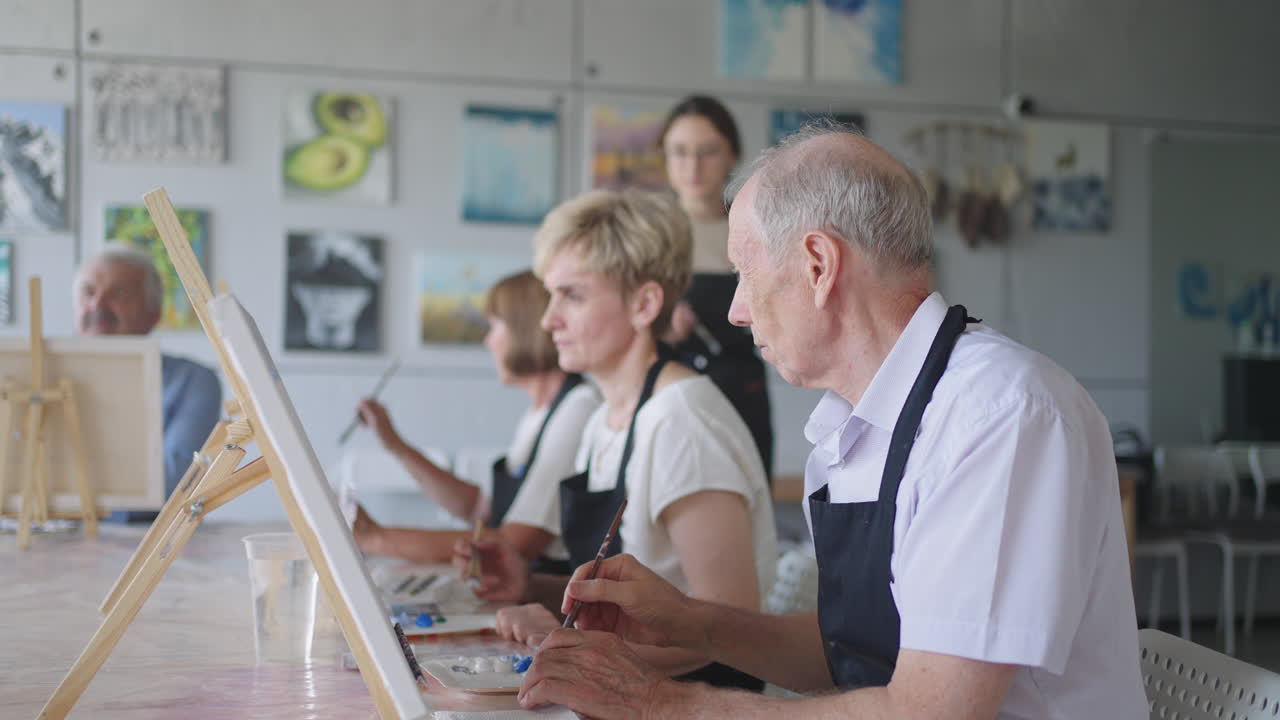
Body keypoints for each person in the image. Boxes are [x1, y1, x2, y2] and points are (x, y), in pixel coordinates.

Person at [511, 126, 1148, 718]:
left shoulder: (999, 414)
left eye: (745, 271)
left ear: (819, 265)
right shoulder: (853, 425)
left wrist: (663, 704)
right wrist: (690, 622)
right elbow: (858, 644)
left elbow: (932, 711)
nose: (734, 310)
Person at [457, 189, 777, 691]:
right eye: (550, 295)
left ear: (644, 304)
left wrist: (576, 646)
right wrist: (532, 585)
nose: (548, 320)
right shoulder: (605, 417)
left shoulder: (681, 420)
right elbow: (630, 605)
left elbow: (731, 632)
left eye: (573, 296)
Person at [352, 270, 599, 569]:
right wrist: (394, 444)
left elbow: (515, 543)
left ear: (525, 331)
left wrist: (374, 538)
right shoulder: (539, 414)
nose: (489, 342)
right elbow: (479, 510)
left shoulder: (578, 409)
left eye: (495, 327)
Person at [659, 95, 773, 480]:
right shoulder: (647, 234)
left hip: (743, 394)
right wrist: (659, 327)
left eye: (707, 152)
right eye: (679, 152)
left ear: (732, 154)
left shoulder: (760, 229)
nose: (693, 166)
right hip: (670, 395)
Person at [74, 245, 223, 520]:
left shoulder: (193, 382)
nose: (97, 305)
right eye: (88, 292)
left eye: (118, 293)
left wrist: (67, 489)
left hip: (149, 548)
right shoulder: (47, 380)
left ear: (153, 313)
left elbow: (170, 486)